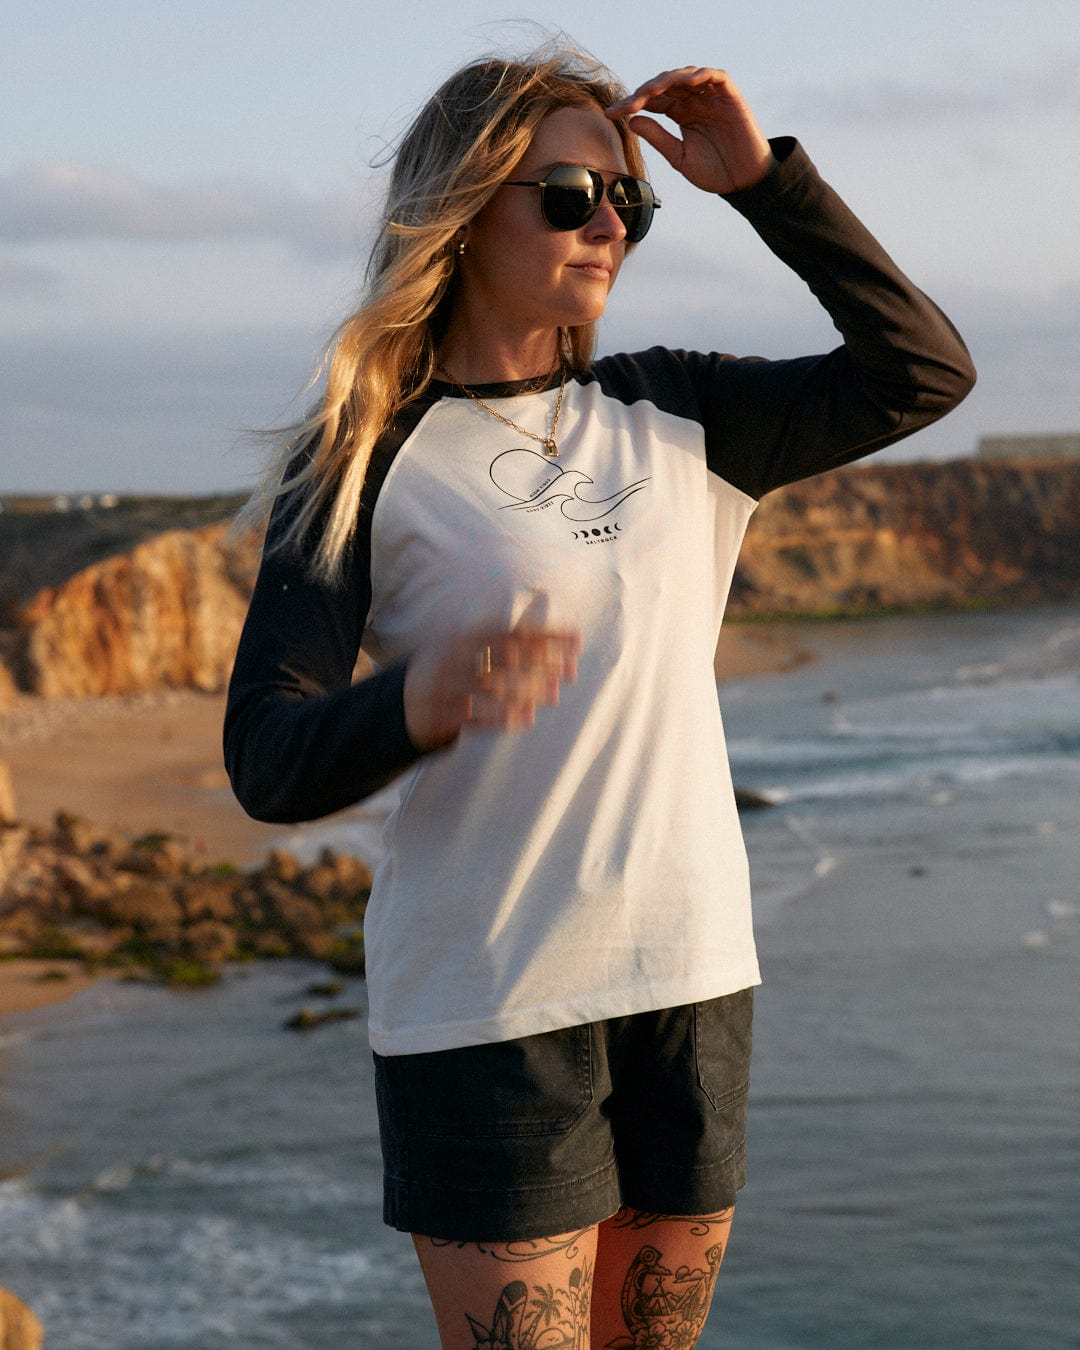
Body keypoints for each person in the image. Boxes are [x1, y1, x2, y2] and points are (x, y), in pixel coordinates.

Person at [224, 41, 974, 1349]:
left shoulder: (681, 409)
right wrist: (418, 701)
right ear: (462, 210)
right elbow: (268, 756)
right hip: (488, 1006)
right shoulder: (361, 454)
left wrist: (766, 184)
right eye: (570, 195)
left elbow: (922, 371)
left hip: (690, 982)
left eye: (629, 199)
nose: (608, 224)